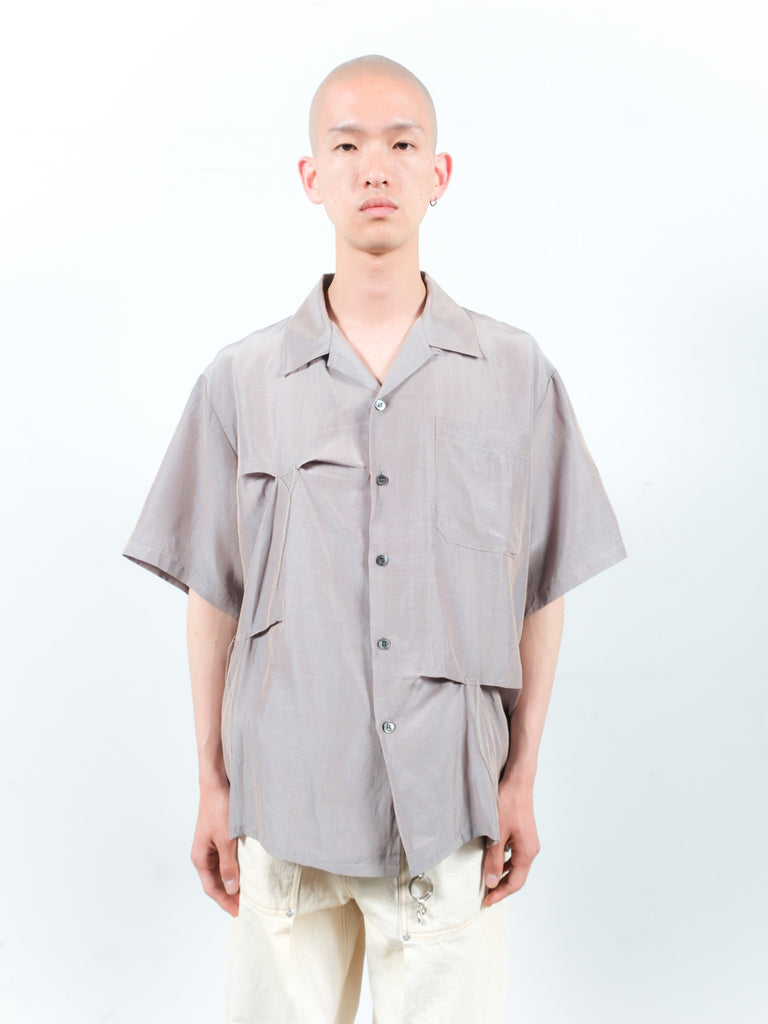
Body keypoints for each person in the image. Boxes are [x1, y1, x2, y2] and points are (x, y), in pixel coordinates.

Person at [123, 54, 626, 1024]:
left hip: (446, 804)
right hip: (285, 800)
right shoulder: (242, 382)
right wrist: (212, 784)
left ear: (440, 173)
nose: (375, 168)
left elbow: (540, 586)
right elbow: (212, 594)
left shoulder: (513, 374)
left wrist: (521, 777)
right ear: (311, 176)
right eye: (347, 146)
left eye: (401, 143)